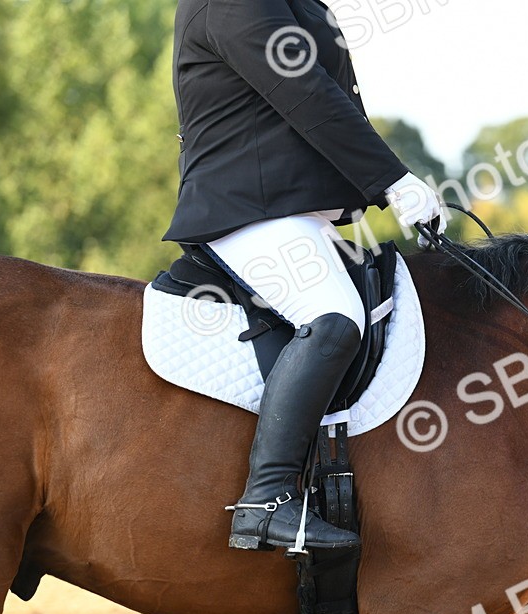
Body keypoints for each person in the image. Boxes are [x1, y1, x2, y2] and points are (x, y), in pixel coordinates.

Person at [162, 0, 445, 551]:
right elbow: (305, 93)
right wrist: (393, 180)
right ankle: (265, 502)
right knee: (335, 316)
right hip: (248, 208)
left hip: (292, 210)